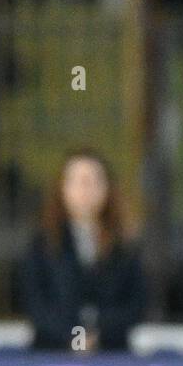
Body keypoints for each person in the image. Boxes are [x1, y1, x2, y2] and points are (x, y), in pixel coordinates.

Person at [21, 149, 145, 352]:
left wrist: (97, 334)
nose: (86, 190)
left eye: (94, 181)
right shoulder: (42, 243)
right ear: (62, 188)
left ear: (107, 188)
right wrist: (72, 338)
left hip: (113, 355)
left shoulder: (125, 245)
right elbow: (35, 303)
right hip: (50, 356)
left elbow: (136, 304)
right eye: (78, 181)